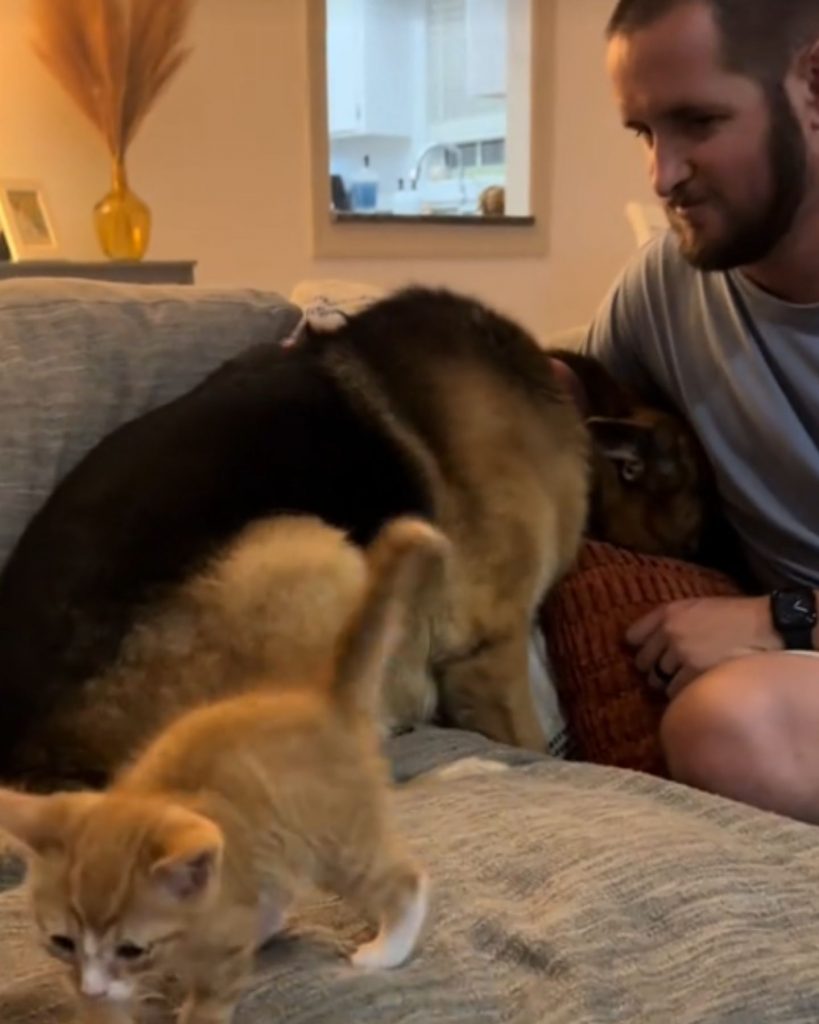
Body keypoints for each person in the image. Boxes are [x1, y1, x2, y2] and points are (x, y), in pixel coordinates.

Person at [584, 0, 819, 822]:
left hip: (786, 670)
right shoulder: (662, 291)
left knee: (730, 723)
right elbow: (562, 404)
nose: (663, 175)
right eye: (644, 133)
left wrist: (785, 620)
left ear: (813, 86)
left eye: (697, 123)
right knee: (727, 721)